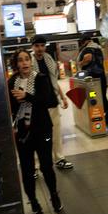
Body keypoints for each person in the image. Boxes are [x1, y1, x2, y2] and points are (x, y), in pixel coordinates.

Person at [8, 49, 63, 214]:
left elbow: (47, 101)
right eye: (20, 60)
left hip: (43, 130)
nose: (24, 63)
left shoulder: (41, 79)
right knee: (27, 169)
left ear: (30, 62)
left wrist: (27, 96)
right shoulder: (11, 82)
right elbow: (11, 107)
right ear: (16, 64)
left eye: (26, 59)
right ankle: (33, 201)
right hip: (23, 133)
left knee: (46, 166)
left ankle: (54, 195)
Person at [30, 35, 73, 170]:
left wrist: (63, 97)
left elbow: (53, 82)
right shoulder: (29, 62)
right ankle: (35, 166)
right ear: (32, 47)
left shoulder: (49, 60)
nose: (40, 49)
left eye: (42, 45)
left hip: (52, 102)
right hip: (36, 105)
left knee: (55, 132)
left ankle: (59, 159)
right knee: (36, 135)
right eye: (37, 46)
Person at [77, 33, 108, 115]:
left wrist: (81, 63)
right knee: (103, 95)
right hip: (101, 77)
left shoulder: (88, 48)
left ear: (84, 42)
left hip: (92, 79)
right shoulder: (99, 48)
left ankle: (97, 115)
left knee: (93, 96)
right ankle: (106, 114)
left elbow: (88, 57)